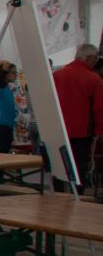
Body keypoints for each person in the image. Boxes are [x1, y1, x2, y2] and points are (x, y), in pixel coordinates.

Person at [51, 43, 103, 193]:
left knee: (60, 165)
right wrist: (100, 131)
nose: (96, 62)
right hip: (82, 132)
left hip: (59, 130)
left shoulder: (56, 75)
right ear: (89, 58)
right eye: (95, 59)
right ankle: (77, 196)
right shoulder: (94, 79)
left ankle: (58, 195)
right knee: (80, 166)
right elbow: (99, 108)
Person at [0, 59, 19, 155]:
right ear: (6, 74)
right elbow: (0, 79)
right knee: (3, 153)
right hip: (3, 125)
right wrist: (3, 67)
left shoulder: (8, 88)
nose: (16, 75)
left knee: (6, 152)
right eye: (13, 73)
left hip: (9, 125)